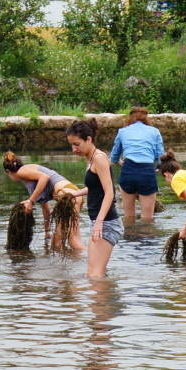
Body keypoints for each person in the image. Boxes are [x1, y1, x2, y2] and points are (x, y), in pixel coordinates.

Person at [68, 119, 122, 278]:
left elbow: (109, 192)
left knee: (94, 275)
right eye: (71, 145)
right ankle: (107, 294)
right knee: (94, 274)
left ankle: (105, 295)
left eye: (77, 144)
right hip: (99, 222)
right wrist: (75, 194)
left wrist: (99, 222)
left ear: (89, 139)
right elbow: (95, 188)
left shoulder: (99, 158)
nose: (74, 149)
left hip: (106, 223)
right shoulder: (90, 157)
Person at [2, 150, 82, 245]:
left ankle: (91, 254)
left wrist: (31, 201)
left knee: (71, 242)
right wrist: (47, 231)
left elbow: (45, 177)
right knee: (58, 243)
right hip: (74, 194)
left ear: (8, 171)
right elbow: (46, 207)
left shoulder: (21, 172)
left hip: (67, 196)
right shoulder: (30, 175)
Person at [109, 107, 165, 223]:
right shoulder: (154, 131)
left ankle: (129, 234)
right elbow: (160, 157)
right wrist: (158, 169)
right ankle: (147, 234)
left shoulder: (122, 131)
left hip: (128, 170)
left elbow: (114, 157)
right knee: (147, 218)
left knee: (128, 217)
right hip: (147, 171)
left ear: (130, 118)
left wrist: (123, 164)